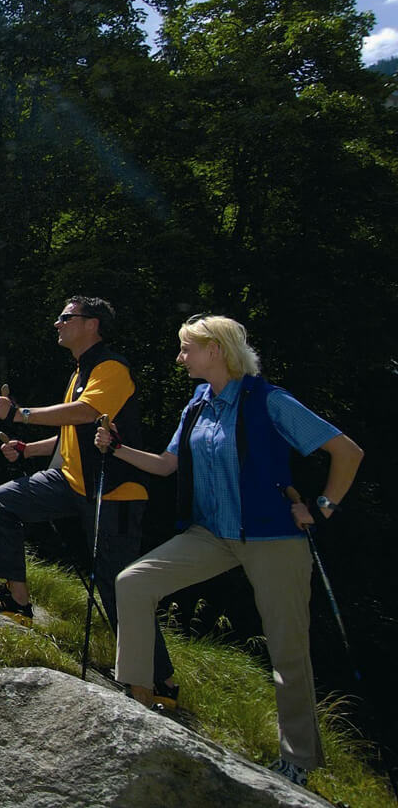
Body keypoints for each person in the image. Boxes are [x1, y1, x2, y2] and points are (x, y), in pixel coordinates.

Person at [99, 314, 362, 787]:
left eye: (186, 349)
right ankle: (137, 698)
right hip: (211, 535)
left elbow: (348, 452)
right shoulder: (197, 404)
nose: (179, 358)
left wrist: (322, 508)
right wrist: (117, 449)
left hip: (274, 540)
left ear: (216, 350)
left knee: (287, 649)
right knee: (133, 582)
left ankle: (296, 762)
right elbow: (165, 466)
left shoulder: (269, 400)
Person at [0, 296, 177, 704]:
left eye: (65, 318)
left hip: (114, 492)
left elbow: (86, 413)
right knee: (2, 502)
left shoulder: (111, 368)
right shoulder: (80, 371)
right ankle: (17, 602)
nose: (57, 323)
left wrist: (22, 414)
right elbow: (73, 433)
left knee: (118, 583)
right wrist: (27, 447)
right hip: (71, 481)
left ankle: (159, 680)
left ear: (92, 325)